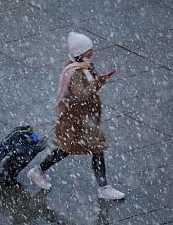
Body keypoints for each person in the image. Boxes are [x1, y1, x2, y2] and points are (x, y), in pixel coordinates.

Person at [27, 32, 125, 200]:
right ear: (80, 53)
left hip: (81, 119)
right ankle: (103, 188)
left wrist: (97, 82)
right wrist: (99, 82)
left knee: (72, 149)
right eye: (88, 50)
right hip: (77, 120)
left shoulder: (84, 67)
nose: (91, 52)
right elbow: (81, 95)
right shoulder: (77, 72)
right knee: (89, 148)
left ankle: (38, 171)